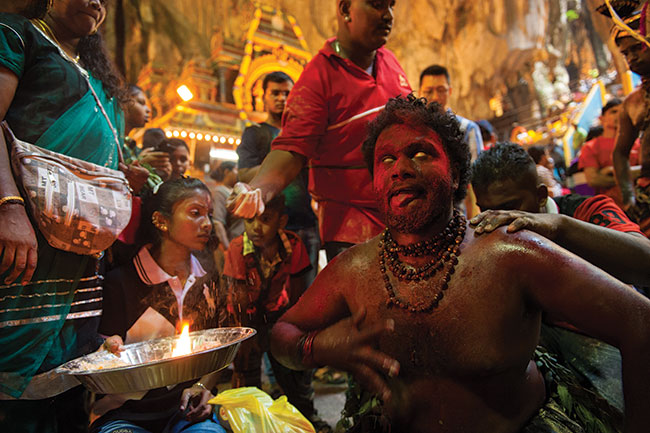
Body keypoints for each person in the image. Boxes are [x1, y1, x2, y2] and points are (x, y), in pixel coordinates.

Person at [269, 96, 650, 433]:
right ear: (375, 183)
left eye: (420, 153)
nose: (400, 167)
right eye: (386, 159)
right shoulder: (352, 269)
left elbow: (639, 320)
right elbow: (282, 332)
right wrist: (316, 348)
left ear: (455, 176)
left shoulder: (510, 252)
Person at [0, 1, 129, 431]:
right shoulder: (19, 36)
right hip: (25, 241)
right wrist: (9, 208)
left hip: (82, 255)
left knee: (71, 387)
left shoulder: (98, 76)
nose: (96, 2)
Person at [228, 0, 411, 261]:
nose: (388, 15)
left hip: (404, 217)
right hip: (353, 230)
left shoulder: (390, 61)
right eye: (377, 4)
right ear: (346, 9)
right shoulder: (318, 77)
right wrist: (257, 189)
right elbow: (292, 150)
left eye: (392, 5)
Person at [91, 177, 227, 433]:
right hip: (126, 414)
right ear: (161, 221)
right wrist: (108, 349)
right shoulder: (122, 282)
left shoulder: (208, 282)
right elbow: (104, 353)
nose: (207, 224)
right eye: (195, 213)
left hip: (188, 414)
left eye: (209, 214)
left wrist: (202, 387)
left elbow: (219, 350)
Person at [222, 194, 329, 432]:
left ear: (282, 221)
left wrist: (292, 331)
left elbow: (300, 293)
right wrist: (245, 339)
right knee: (247, 378)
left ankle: (305, 418)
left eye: (265, 219)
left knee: (293, 372)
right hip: (246, 320)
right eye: (249, 221)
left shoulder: (294, 244)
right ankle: (252, 424)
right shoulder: (238, 247)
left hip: (279, 315)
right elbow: (237, 300)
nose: (256, 228)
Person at [237, 71, 320, 286]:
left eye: (287, 93)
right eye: (275, 93)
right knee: (268, 292)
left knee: (306, 293)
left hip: (306, 223)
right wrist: (282, 166)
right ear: (263, 96)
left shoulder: (305, 135)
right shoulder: (254, 133)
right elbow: (244, 174)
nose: (281, 98)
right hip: (267, 227)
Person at [611, 12, 650, 236]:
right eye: (626, 53)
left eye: (637, 48)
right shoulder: (631, 103)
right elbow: (620, 153)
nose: (631, 58)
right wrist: (628, 196)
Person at [579, 98, 641, 208]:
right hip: (611, 210)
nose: (619, 114)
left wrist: (612, 171)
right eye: (613, 112)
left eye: (623, 111)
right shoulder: (590, 147)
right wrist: (629, 174)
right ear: (602, 119)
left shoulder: (637, 143)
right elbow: (594, 180)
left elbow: (645, 171)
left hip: (641, 204)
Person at [418, 64, 484, 161]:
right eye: (429, 91)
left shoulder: (467, 129)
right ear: (419, 93)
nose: (436, 97)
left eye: (441, 90)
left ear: (450, 91)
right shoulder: (415, 129)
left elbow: (476, 170)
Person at [210, 161, 244, 250]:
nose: (239, 173)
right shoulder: (220, 192)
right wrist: (227, 249)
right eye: (236, 169)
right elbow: (218, 222)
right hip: (233, 245)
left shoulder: (233, 191)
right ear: (226, 172)